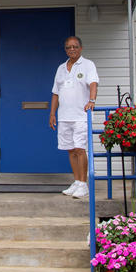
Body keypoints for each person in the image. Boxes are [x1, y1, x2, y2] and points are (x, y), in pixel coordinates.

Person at [49, 36, 98, 199]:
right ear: (65, 49)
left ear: (81, 48)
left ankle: (84, 184)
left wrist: (92, 100)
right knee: (70, 150)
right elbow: (55, 92)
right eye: (68, 47)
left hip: (80, 116)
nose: (72, 49)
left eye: (75, 47)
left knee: (79, 149)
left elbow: (93, 83)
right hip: (64, 116)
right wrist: (52, 114)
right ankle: (77, 181)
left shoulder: (88, 65)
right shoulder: (61, 68)